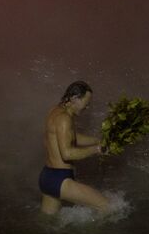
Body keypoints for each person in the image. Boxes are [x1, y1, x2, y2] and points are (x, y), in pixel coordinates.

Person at [39, 81, 109, 215]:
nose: (87, 107)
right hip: (60, 179)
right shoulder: (64, 118)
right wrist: (96, 150)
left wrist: (97, 140)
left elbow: (69, 136)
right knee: (107, 207)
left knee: (48, 224)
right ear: (74, 98)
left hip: (47, 177)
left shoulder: (54, 110)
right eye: (86, 102)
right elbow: (67, 154)